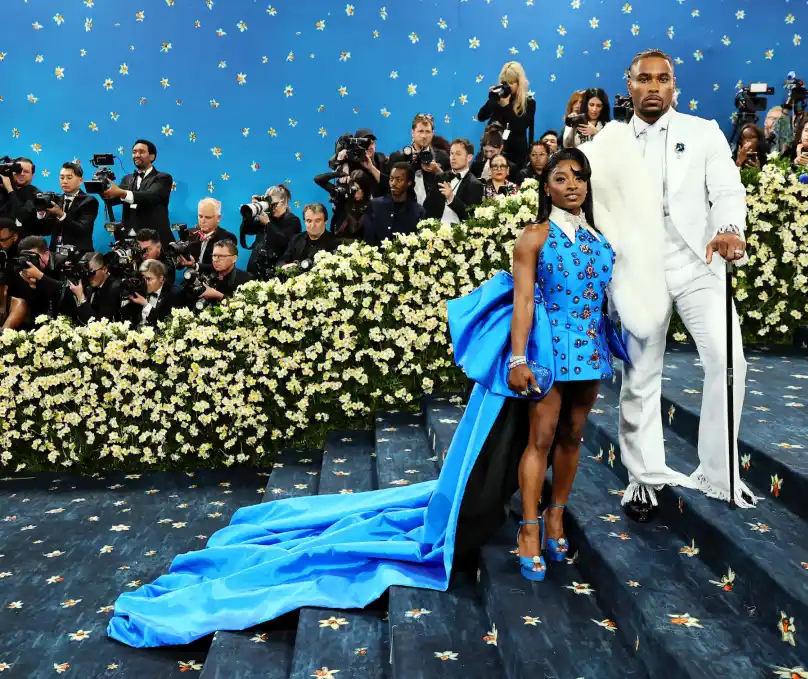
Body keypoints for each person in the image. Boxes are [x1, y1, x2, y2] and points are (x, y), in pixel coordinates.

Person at [106, 140, 659, 647]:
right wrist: (517, 357)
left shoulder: (598, 240)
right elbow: (523, 302)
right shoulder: (534, 236)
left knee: (573, 438)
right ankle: (533, 530)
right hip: (546, 352)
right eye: (562, 177)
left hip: (588, 351)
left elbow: (605, 297)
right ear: (547, 186)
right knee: (538, 440)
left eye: (579, 177)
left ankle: (558, 515)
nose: (573, 185)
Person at [591, 48, 756, 522]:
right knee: (640, 377)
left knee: (730, 363)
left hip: (698, 261)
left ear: (673, 85)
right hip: (639, 268)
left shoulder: (701, 132)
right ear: (630, 86)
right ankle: (643, 480)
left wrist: (729, 227)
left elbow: (727, 189)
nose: (654, 87)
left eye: (663, 79)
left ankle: (718, 472)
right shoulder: (609, 142)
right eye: (645, 79)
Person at [103, 140, 175, 244]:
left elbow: (151, 196)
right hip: (130, 238)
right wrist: (102, 189)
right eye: (134, 152)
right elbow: (112, 201)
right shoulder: (127, 179)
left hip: (156, 239)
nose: (136, 155)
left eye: (141, 152)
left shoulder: (163, 178)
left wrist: (122, 193)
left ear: (152, 156)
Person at [477, 62, 536, 170]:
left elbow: (519, 127)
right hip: (492, 151)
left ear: (519, 83)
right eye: (505, 82)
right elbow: (481, 117)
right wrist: (492, 99)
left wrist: (506, 106)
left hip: (514, 155)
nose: (507, 86)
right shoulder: (499, 98)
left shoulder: (528, 102)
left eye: (511, 82)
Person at [383, 114, 450, 206]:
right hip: (405, 209)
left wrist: (437, 171)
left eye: (427, 131)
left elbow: (451, 186)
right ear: (412, 132)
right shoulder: (398, 157)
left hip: (433, 211)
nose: (424, 136)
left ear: (432, 133)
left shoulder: (442, 156)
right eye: (420, 131)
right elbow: (388, 188)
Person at [242, 184, 302, 279]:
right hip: (254, 270)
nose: (272, 208)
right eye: (269, 204)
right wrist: (250, 214)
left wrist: (268, 224)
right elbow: (249, 230)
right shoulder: (266, 216)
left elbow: (284, 242)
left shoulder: (293, 220)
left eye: (274, 204)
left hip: (275, 273)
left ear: (285, 203)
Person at [362, 163, 425, 246]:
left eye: (399, 180)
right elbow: (368, 239)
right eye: (391, 179)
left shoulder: (418, 212)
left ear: (409, 182)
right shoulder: (374, 205)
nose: (393, 183)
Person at [423, 138, 483, 225]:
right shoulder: (440, 177)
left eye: (458, 154)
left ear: (469, 158)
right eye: (451, 153)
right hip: (434, 232)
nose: (453, 158)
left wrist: (451, 198)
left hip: (457, 235)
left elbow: (470, 217)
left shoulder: (475, 185)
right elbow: (427, 207)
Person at [178, 198, 238, 270]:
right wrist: (179, 260)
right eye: (200, 216)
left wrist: (195, 266)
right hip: (190, 278)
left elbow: (222, 266)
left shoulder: (228, 238)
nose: (203, 221)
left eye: (208, 217)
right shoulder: (191, 233)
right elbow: (179, 267)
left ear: (218, 218)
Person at [278, 203, 338, 270]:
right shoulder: (296, 239)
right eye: (309, 221)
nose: (313, 225)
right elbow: (281, 262)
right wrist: (285, 266)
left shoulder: (335, 242)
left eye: (317, 221)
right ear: (304, 222)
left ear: (325, 222)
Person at [70, 252, 122, 324]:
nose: (89, 277)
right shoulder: (87, 284)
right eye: (85, 273)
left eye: (91, 273)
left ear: (104, 269)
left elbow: (99, 324)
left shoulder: (114, 289)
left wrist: (81, 297)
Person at [121, 259, 173, 328]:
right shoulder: (140, 290)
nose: (145, 283)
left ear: (161, 278)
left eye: (149, 279)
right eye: (143, 279)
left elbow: (164, 323)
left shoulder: (172, 294)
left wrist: (145, 304)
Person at [0, 158, 40, 238]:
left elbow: (23, 216)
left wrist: (10, 190)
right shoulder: (1, 189)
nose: (21, 174)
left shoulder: (36, 194)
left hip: (21, 245)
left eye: (26, 171)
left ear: (33, 175)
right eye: (18, 170)